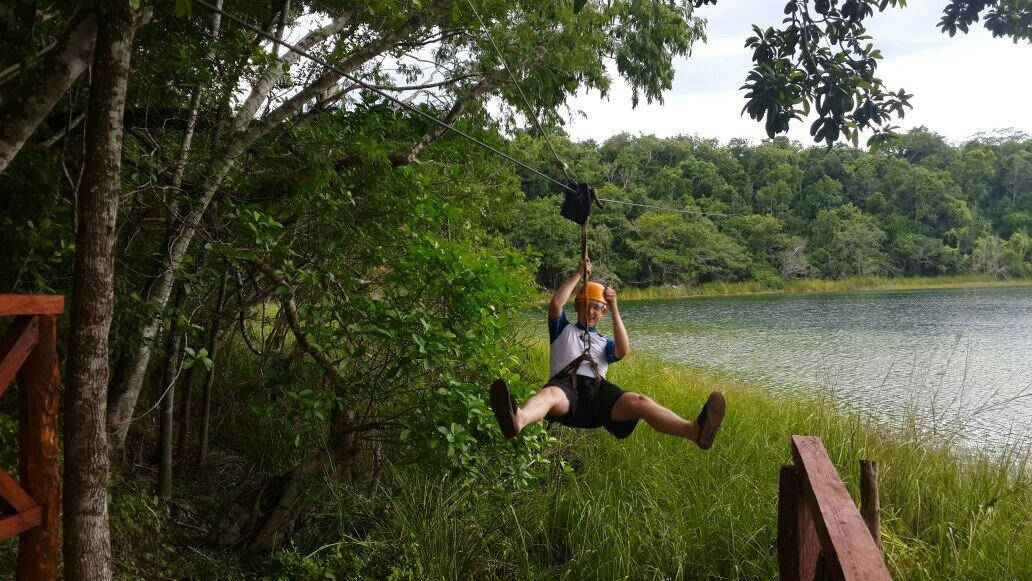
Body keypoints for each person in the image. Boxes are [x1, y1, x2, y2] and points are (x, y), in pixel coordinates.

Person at [490, 259, 725, 448]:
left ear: (602, 312)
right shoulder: (563, 329)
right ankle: (518, 419)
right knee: (550, 393)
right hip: (566, 392)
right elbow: (555, 305)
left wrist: (614, 307)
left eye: (596, 307)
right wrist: (578, 275)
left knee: (640, 401)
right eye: (585, 306)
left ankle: (693, 431)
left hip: (598, 398)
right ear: (578, 307)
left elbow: (623, 350)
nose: (590, 311)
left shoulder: (604, 343)